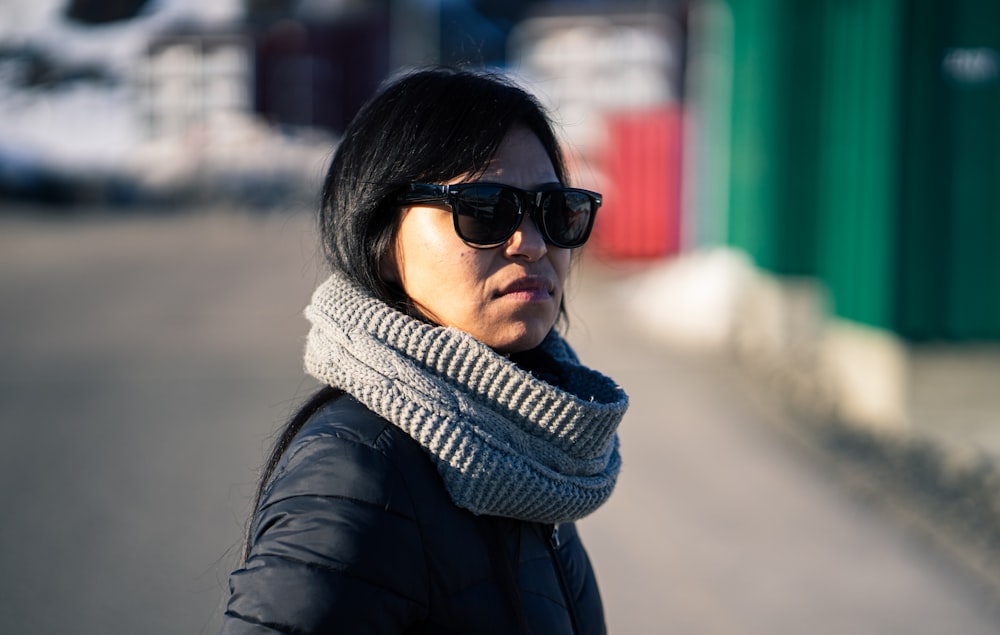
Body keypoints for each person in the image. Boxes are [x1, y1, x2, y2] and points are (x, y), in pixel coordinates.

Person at [221, 67, 629, 634]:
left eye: (555, 210)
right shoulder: (358, 471)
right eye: (485, 208)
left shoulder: (525, 445)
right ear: (383, 240)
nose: (534, 244)